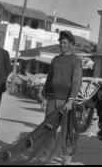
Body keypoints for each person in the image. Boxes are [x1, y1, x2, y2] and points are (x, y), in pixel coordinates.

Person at [43, 30, 83, 165]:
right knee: (48, 129)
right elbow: (49, 79)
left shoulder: (76, 61)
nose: (62, 45)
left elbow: (77, 81)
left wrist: (71, 100)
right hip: (52, 99)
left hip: (65, 102)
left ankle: (66, 158)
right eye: (60, 42)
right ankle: (45, 156)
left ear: (71, 44)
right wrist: (45, 95)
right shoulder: (55, 59)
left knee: (66, 131)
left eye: (65, 42)